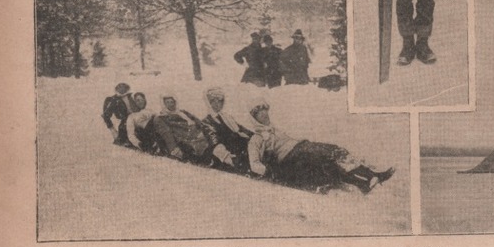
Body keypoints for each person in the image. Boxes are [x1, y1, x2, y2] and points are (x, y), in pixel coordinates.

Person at [247, 101, 394, 194]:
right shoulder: (256, 139)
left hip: (302, 147)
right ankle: (370, 178)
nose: (265, 116)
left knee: (335, 153)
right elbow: (254, 164)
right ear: (255, 118)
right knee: (330, 155)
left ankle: (366, 180)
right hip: (291, 158)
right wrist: (270, 172)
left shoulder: (275, 129)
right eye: (261, 114)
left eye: (266, 113)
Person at [152, 94, 233, 168]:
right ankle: (227, 161)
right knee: (207, 145)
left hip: (199, 131)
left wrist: (205, 126)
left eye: (172, 102)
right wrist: (174, 149)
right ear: (164, 104)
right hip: (187, 138)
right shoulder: (162, 117)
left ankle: (229, 159)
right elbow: (166, 133)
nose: (171, 104)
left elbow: (196, 120)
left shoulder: (182, 112)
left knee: (218, 136)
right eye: (167, 102)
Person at [202, 89, 253, 172]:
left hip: (241, 147)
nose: (219, 103)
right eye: (216, 101)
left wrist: (254, 136)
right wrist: (225, 156)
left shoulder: (226, 117)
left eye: (221, 100)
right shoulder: (207, 121)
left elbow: (240, 129)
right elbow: (214, 141)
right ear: (210, 103)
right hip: (228, 153)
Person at [102, 82, 136, 146]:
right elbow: (106, 115)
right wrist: (113, 130)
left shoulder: (131, 96)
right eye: (120, 90)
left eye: (124, 90)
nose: (123, 92)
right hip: (124, 122)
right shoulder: (113, 100)